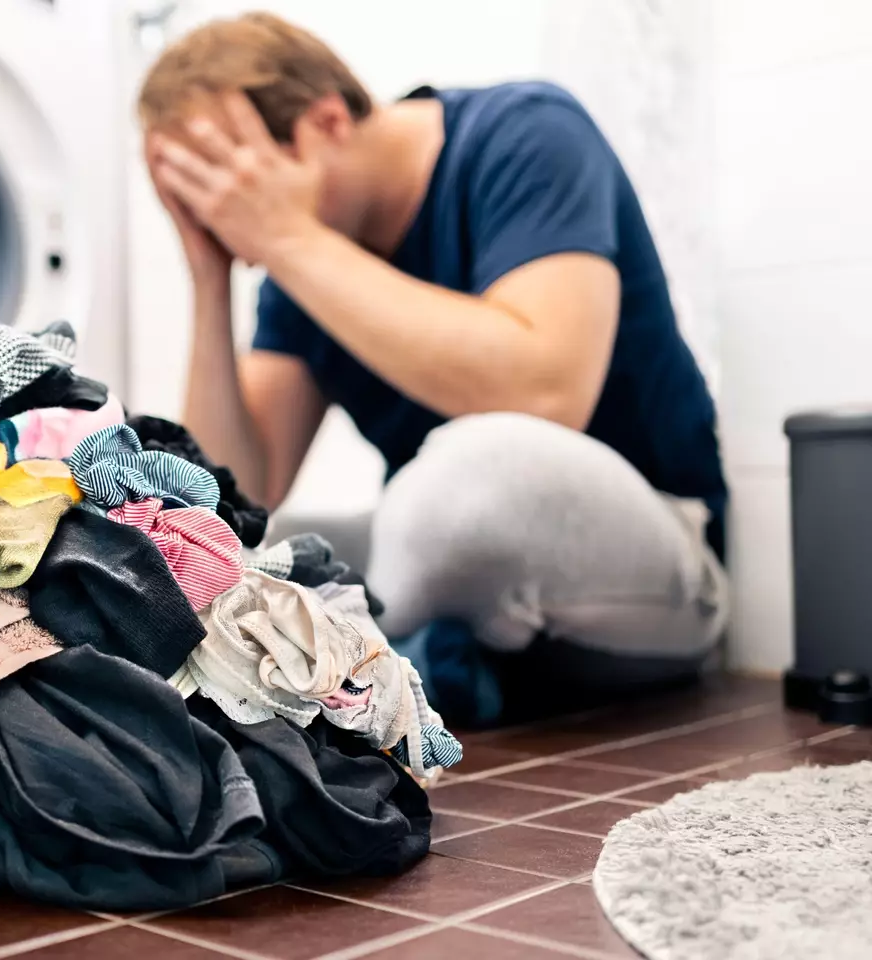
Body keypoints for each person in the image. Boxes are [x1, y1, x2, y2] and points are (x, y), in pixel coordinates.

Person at [137, 12, 728, 726]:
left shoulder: (526, 133)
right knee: (205, 551)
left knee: (461, 486)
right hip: (457, 580)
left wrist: (286, 235)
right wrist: (208, 274)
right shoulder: (302, 260)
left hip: (660, 571)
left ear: (326, 122)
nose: (247, 230)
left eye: (242, 186)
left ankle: (355, 670)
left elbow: (544, 394)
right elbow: (235, 495)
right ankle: (409, 663)